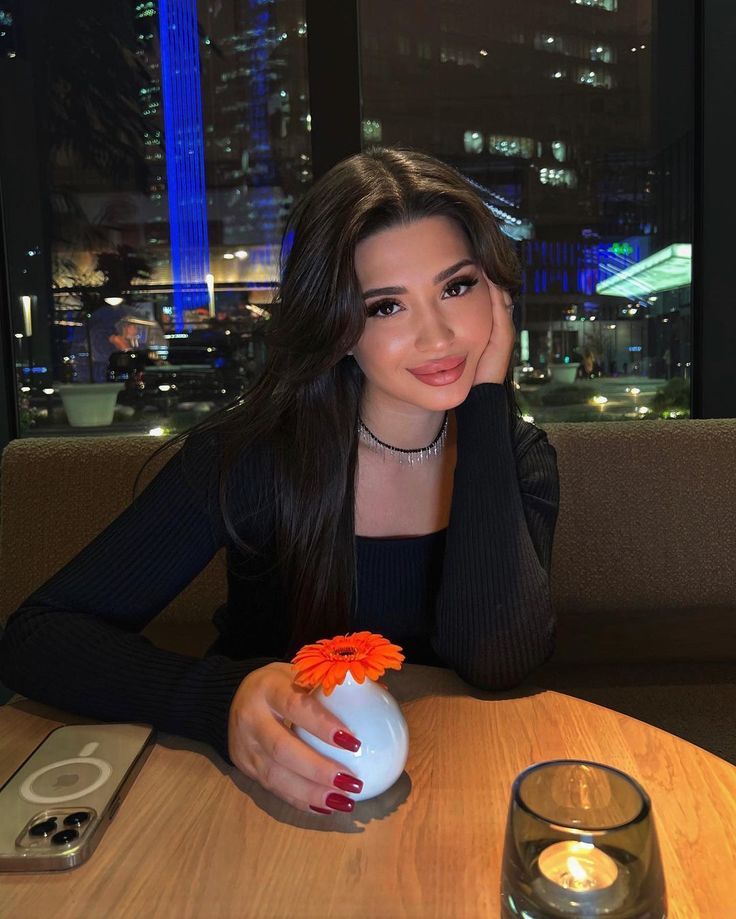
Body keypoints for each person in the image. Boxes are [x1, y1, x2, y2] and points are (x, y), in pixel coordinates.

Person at [0, 147, 559, 817]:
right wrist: (220, 698)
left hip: (454, 798)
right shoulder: (255, 458)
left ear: (497, 295)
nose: (437, 336)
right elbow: (35, 636)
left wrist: (486, 408)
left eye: (457, 287)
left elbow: (498, 663)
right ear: (338, 328)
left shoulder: (516, 459)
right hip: (260, 802)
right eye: (385, 307)